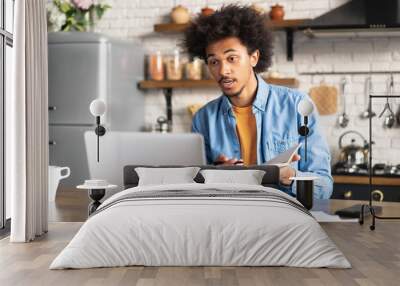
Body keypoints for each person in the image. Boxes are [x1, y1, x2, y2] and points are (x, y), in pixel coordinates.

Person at [183, 5, 333, 199]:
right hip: (229, 220)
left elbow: (324, 187)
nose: (223, 70)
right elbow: (192, 188)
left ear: (254, 57)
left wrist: (290, 176)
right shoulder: (203, 119)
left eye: (232, 58)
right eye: (214, 61)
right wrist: (215, 177)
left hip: (282, 219)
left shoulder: (297, 106)